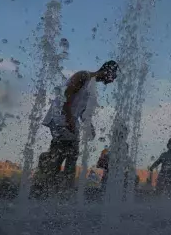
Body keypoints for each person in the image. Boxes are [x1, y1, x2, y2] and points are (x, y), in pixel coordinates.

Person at [41, 60, 119, 190]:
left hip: (68, 120)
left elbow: (82, 111)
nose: (113, 80)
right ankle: (57, 187)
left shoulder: (92, 86)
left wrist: (90, 126)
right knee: (67, 152)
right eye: (114, 76)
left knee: (66, 152)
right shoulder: (84, 76)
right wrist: (69, 118)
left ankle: (56, 186)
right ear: (107, 71)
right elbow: (67, 94)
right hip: (60, 118)